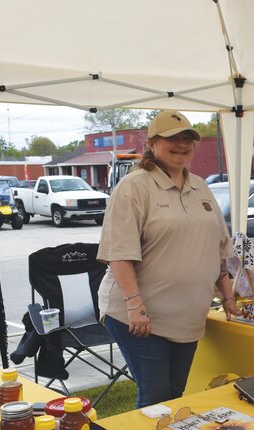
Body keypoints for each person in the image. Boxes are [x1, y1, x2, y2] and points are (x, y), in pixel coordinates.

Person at [97, 110, 240, 408]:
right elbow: (119, 253)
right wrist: (135, 305)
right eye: (172, 138)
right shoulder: (134, 187)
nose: (182, 144)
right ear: (152, 143)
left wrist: (228, 298)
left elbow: (218, 251)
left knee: (175, 393)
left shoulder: (200, 186)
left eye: (187, 138)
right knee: (156, 397)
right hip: (139, 317)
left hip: (187, 318)